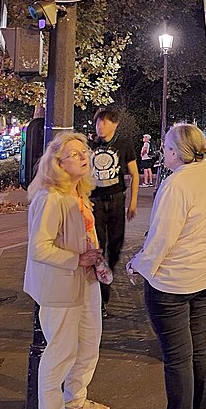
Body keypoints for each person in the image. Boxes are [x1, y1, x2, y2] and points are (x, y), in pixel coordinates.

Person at [126, 123, 206, 409]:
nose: (164, 153)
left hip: (173, 284)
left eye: (167, 148)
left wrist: (137, 265)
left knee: (178, 358)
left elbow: (161, 239)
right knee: (198, 349)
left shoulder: (175, 185)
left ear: (178, 153)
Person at [23, 132, 110, 409]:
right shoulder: (51, 198)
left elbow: (85, 236)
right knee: (60, 353)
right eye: (74, 154)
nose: (83, 156)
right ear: (58, 163)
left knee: (88, 345)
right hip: (60, 286)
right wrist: (77, 259)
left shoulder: (79, 193)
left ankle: (75, 400)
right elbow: (39, 248)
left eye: (83, 151)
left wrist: (96, 260)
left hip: (86, 280)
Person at [89, 105, 140, 317]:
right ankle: (100, 296)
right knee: (98, 245)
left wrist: (133, 202)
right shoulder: (89, 144)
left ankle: (107, 273)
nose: (100, 126)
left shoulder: (124, 144)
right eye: (98, 122)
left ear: (115, 124)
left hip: (117, 200)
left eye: (105, 122)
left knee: (116, 247)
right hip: (95, 201)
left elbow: (134, 174)